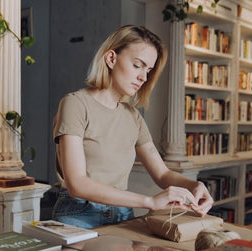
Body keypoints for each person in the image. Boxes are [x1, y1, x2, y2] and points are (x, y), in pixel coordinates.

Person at [52, 25, 213, 229]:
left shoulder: (133, 117)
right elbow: (77, 184)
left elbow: (162, 174)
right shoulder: (75, 104)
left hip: (123, 215)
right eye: (138, 65)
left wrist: (195, 186)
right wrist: (149, 202)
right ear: (111, 59)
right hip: (79, 214)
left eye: (148, 70)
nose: (143, 77)